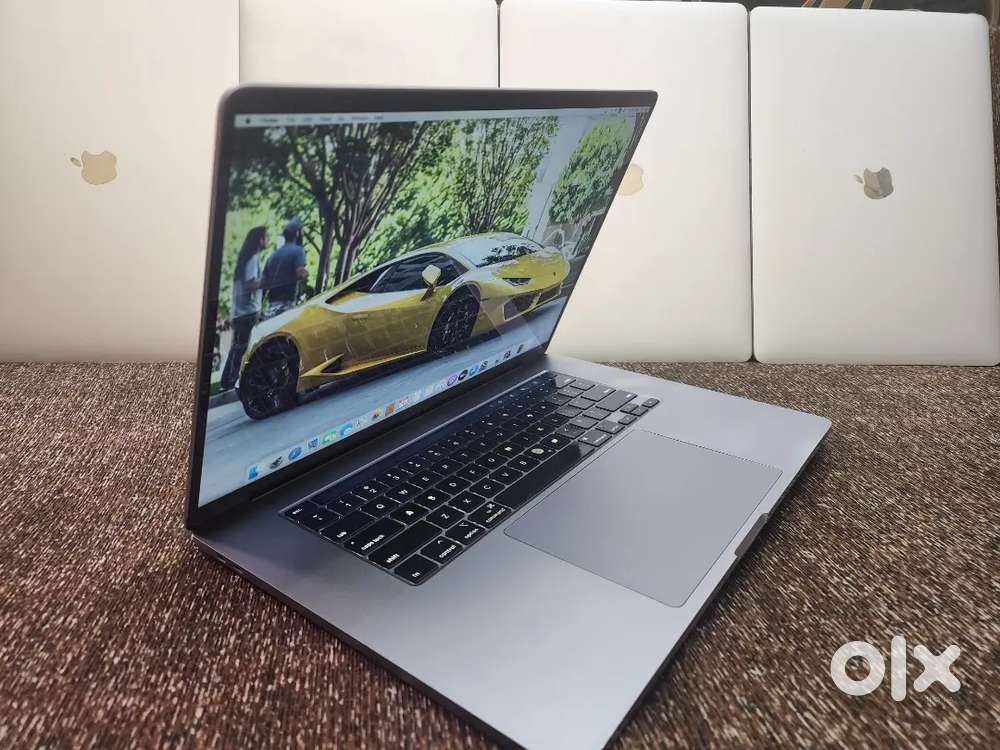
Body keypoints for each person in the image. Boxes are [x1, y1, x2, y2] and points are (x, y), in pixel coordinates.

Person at [221, 226, 268, 390]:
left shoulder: (244, 260)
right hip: (248, 311)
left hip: (239, 312)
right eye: (265, 237)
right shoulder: (253, 259)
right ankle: (231, 381)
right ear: (259, 240)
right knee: (243, 347)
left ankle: (227, 381)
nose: (267, 240)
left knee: (238, 347)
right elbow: (250, 284)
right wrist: (266, 282)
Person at [262, 217, 308, 317]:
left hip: (271, 306)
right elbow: (300, 273)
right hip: (287, 305)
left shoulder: (272, 256)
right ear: (297, 234)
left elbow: (263, 284)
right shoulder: (298, 251)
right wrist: (305, 273)